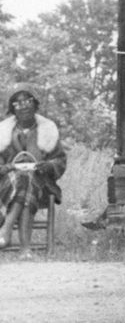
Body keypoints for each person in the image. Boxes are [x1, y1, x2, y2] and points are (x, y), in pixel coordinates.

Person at [0, 86, 66, 258]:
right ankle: (25, 249)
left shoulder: (48, 131)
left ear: (35, 104)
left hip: (42, 187)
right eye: (18, 102)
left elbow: (60, 161)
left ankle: (5, 229)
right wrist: (10, 167)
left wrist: (46, 166)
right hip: (6, 188)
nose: (24, 106)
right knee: (23, 179)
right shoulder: (3, 134)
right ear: (12, 108)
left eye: (28, 101)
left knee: (27, 178)